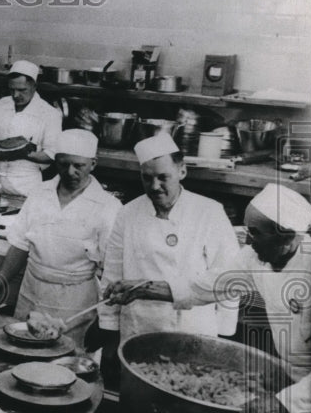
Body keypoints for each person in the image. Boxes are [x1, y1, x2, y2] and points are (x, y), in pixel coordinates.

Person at [106, 183, 311, 413]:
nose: (248, 241)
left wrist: (282, 403)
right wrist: (144, 288)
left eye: (256, 233)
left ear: (286, 237)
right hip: (299, 387)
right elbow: (206, 285)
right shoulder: (258, 259)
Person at [97, 132, 240, 344]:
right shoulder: (128, 213)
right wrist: (108, 328)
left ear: (182, 171)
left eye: (163, 177)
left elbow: (229, 275)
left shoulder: (208, 211)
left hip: (193, 328)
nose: (154, 186)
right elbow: (112, 275)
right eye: (147, 178)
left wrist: (225, 332)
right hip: (138, 327)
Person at [0, 128, 122, 350]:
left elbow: (111, 270)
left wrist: (107, 322)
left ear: (93, 163)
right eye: (63, 164)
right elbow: (20, 244)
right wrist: (1, 280)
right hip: (32, 290)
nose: (70, 171)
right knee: (22, 351)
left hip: (74, 302)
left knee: (65, 361)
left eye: (78, 166)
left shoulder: (108, 207)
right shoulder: (39, 193)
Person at [0, 60, 62, 196]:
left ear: (34, 86)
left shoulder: (50, 114)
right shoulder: (2, 104)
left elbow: (52, 155)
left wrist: (23, 153)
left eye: (22, 90)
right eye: (12, 90)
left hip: (26, 185)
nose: (16, 95)